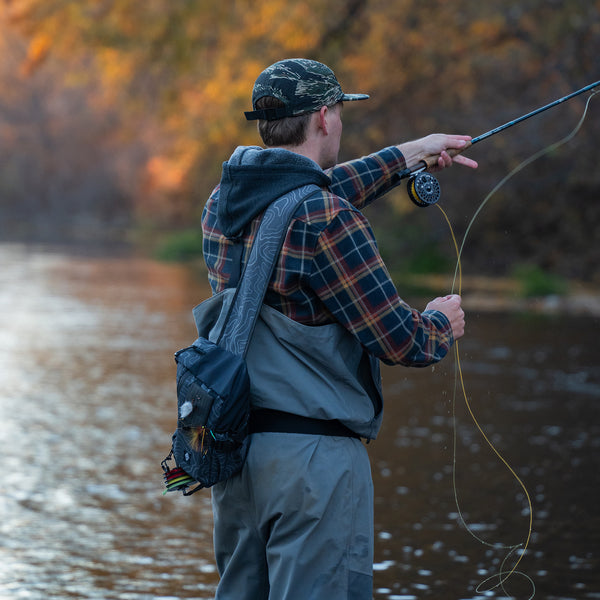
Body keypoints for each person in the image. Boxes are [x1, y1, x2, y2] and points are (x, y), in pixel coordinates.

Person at [200, 58, 477, 599]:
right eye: (341, 113)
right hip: (314, 468)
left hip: (234, 458)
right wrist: (441, 322)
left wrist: (410, 154)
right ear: (325, 117)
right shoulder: (329, 219)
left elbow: (301, 195)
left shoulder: (221, 206)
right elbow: (404, 341)